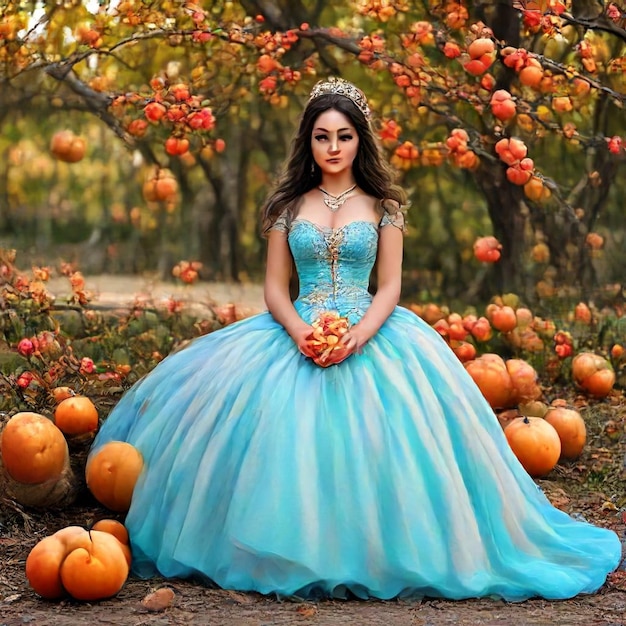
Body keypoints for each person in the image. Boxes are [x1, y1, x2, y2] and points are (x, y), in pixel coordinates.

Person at [90, 77, 622, 601]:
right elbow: (275, 290)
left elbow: (388, 288)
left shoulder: (385, 206)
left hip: (371, 330)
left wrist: (359, 337)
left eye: (344, 136)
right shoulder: (287, 207)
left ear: (360, 139)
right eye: (322, 136)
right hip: (295, 330)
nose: (334, 147)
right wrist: (300, 332)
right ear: (309, 141)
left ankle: (386, 549)